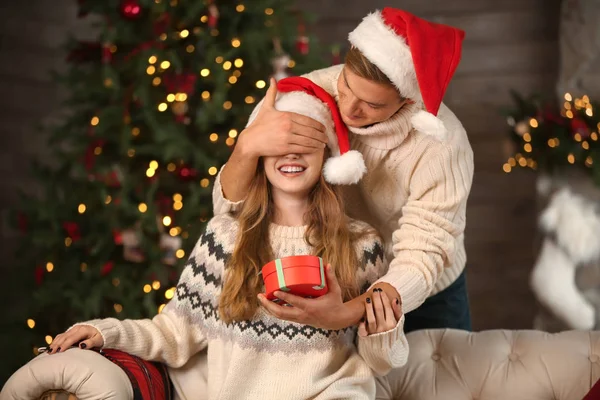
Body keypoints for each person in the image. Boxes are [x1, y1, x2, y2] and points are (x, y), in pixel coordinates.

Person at [38, 78, 408, 400]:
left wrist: (382, 330)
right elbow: (174, 333)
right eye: (279, 142)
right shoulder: (225, 238)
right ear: (259, 155)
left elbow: (379, 362)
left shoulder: (361, 243)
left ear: (326, 154)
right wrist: (103, 331)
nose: (292, 152)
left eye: (307, 140)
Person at [214, 7, 475, 333]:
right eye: (347, 86)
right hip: (338, 271)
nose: (349, 107)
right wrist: (246, 147)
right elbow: (228, 210)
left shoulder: (442, 144)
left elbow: (424, 254)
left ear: (408, 102)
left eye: (372, 105)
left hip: (421, 291)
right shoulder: (302, 97)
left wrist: (345, 313)